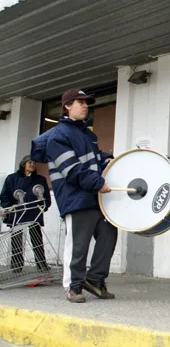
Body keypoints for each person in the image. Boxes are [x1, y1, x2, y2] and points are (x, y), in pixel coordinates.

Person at [31, 89, 117, 303]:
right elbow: (71, 169)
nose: (86, 105)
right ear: (67, 106)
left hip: (95, 197)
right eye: (80, 102)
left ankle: (95, 280)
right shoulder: (58, 135)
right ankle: (73, 286)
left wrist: (108, 159)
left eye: (87, 102)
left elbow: (93, 159)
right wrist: (99, 183)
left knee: (109, 234)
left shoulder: (89, 134)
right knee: (78, 244)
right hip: (76, 198)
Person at [0, 155, 52, 273]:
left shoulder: (40, 179)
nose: (32, 165)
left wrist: (44, 206)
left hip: (34, 213)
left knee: (37, 240)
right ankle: (17, 266)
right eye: (29, 162)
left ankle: (41, 265)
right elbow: (4, 195)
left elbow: (46, 198)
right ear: (23, 164)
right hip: (17, 213)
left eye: (34, 163)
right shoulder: (12, 178)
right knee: (16, 240)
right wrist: (10, 207)